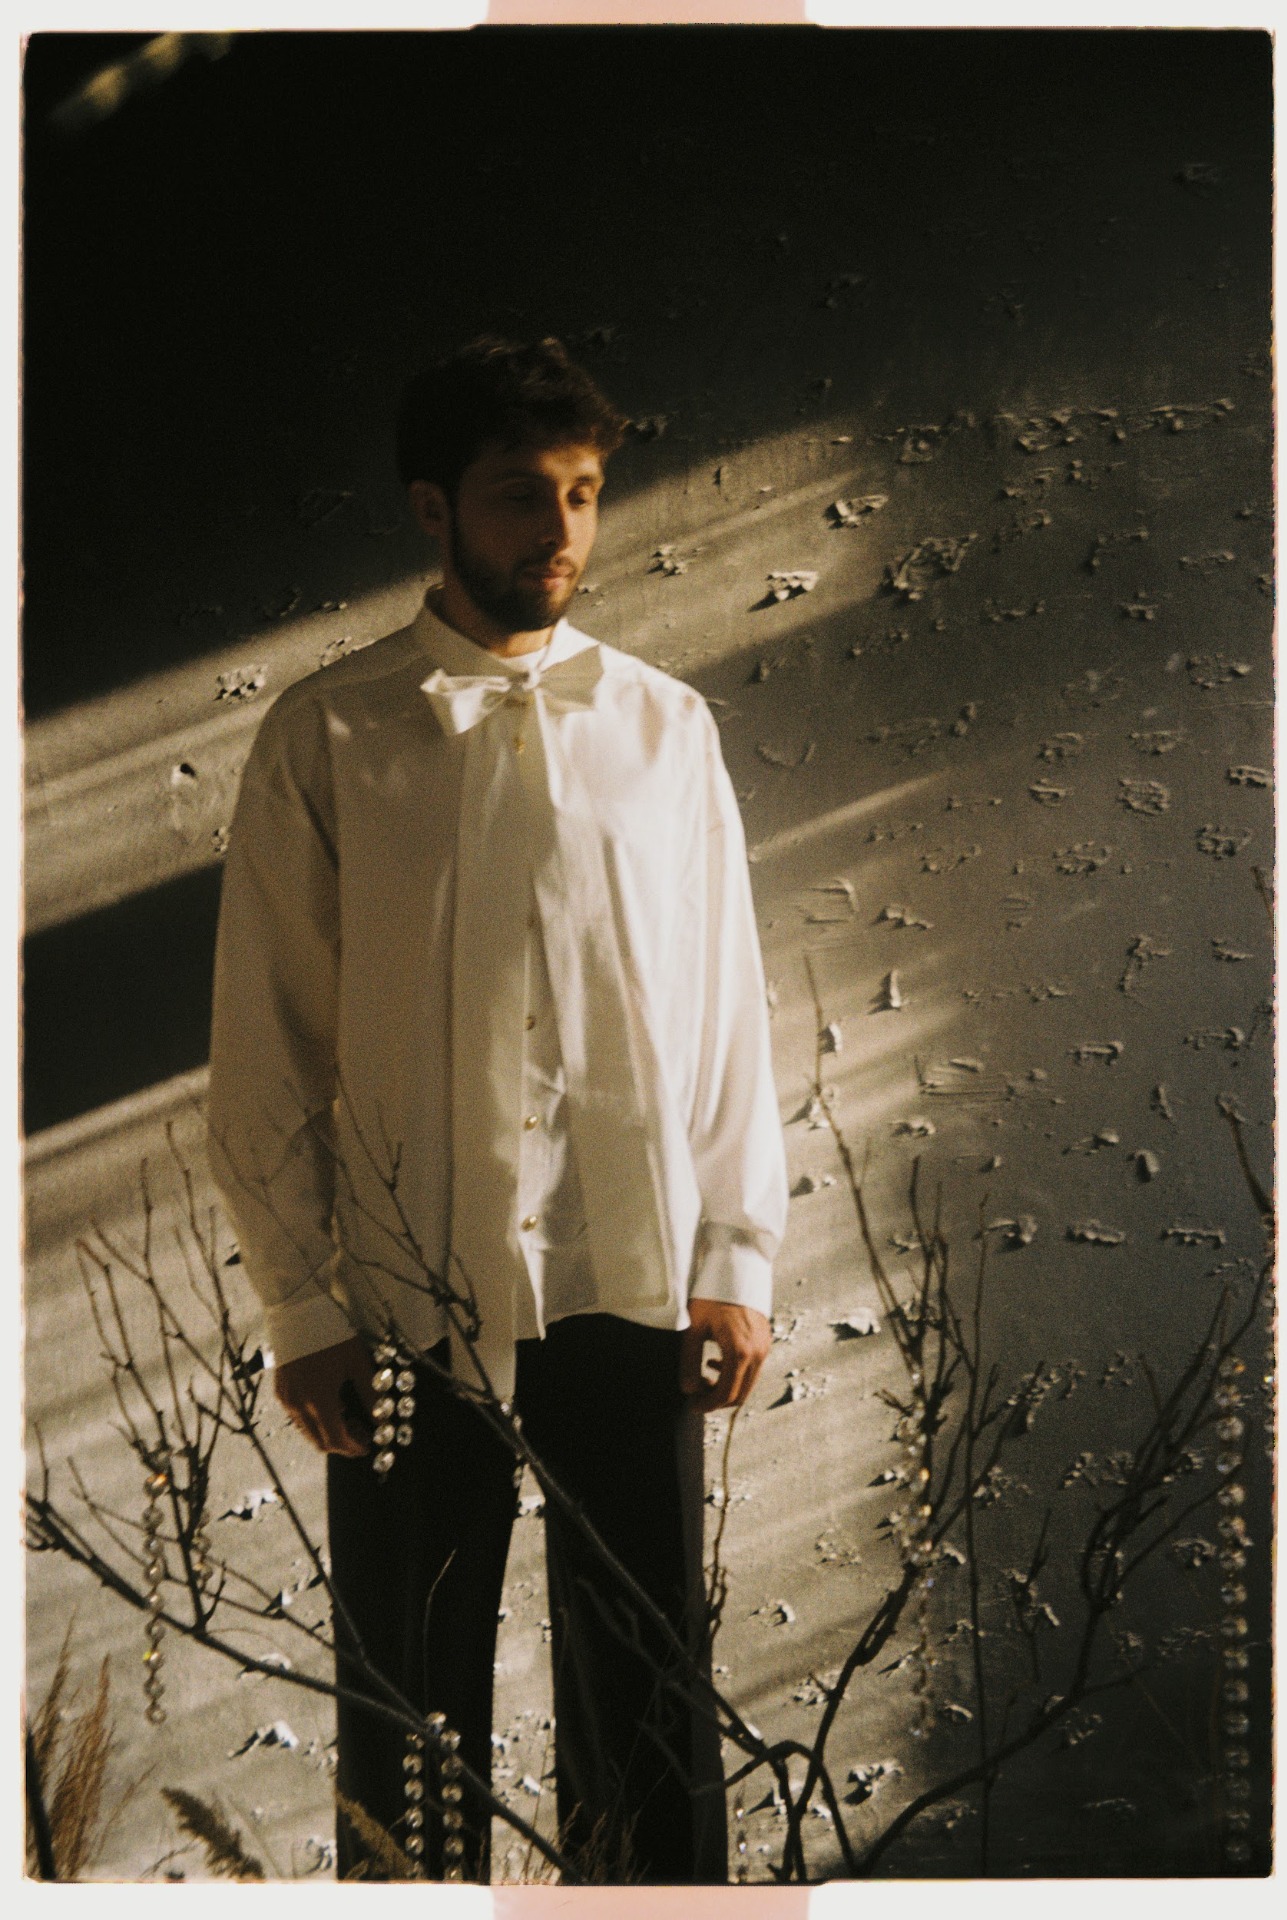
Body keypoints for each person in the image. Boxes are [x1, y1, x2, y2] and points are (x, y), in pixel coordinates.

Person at [206, 335, 789, 1884]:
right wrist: (301, 1300)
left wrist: (736, 1259)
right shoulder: (326, 735)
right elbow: (266, 1041)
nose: (562, 531)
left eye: (584, 494)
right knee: (408, 1719)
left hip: (630, 1286)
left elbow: (726, 1009)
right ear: (433, 509)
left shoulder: (665, 733)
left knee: (650, 1709)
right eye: (524, 495)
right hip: (403, 1310)